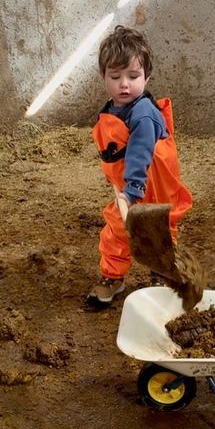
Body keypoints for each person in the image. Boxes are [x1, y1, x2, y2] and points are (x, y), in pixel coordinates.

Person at [85, 25, 193, 310]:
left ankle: (163, 274)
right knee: (118, 230)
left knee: (158, 232)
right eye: (115, 76)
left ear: (146, 76)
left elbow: (139, 154)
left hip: (151, 188)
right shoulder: (113, 108)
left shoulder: (143, 115)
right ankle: (113, 277)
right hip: (129, 187)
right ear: (103, 77)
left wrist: (131, 191)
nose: (124, 84)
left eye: (133, 77)